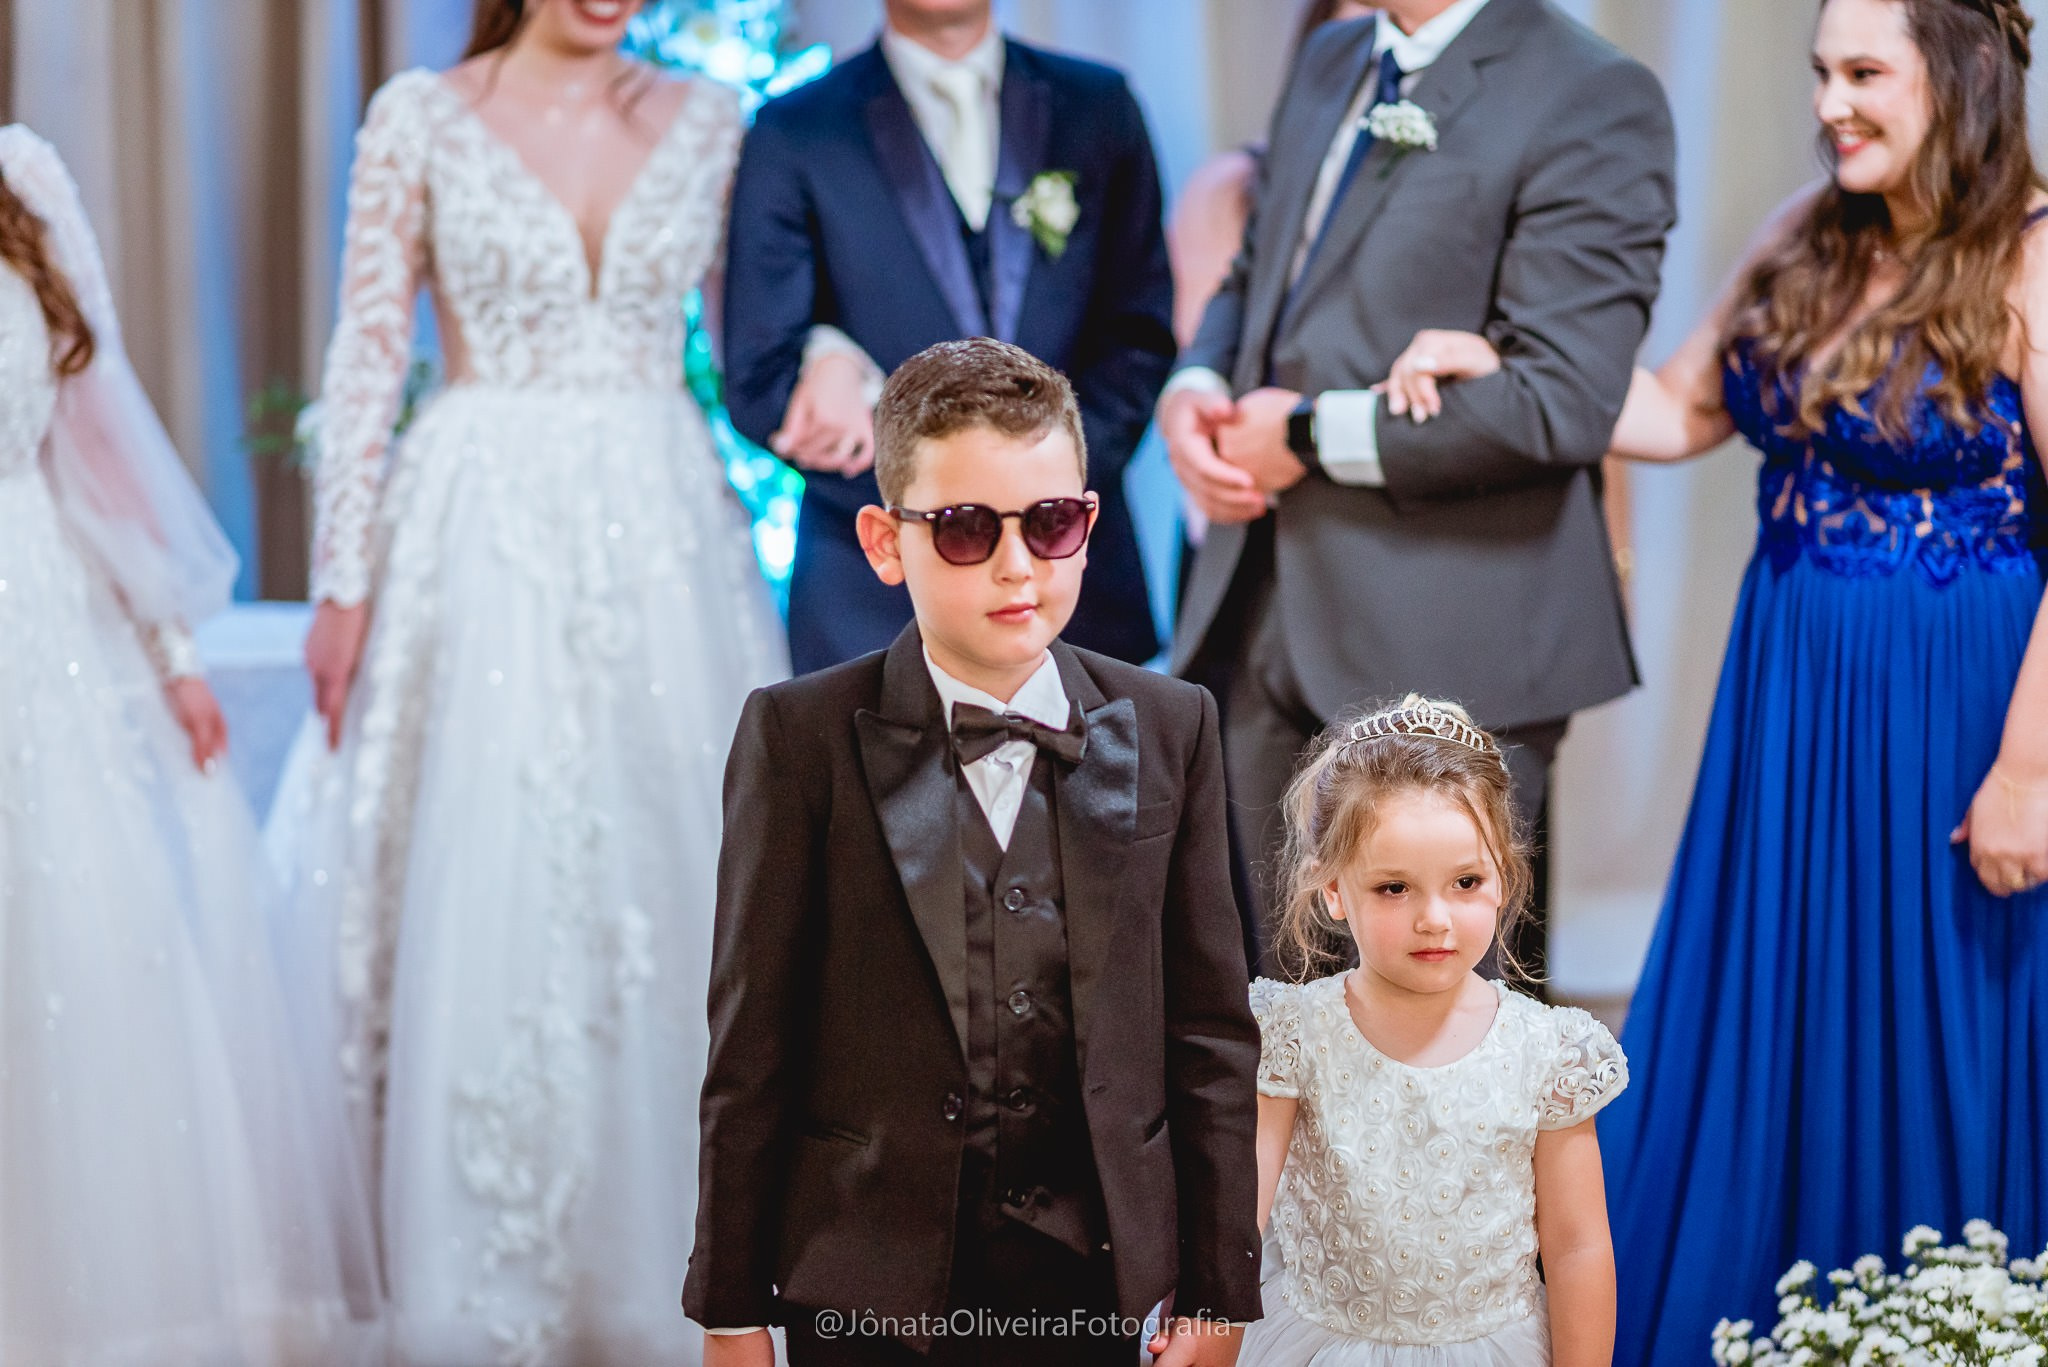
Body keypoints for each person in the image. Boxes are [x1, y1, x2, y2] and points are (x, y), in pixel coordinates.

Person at [1384, 0, 2048, 1358]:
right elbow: (1677, 406)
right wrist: (1510, 366)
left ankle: (1935, 1314)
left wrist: (2032, 766)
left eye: (1867, 74)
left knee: (1945, 1030)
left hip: (1961, 704)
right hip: (1795, 701)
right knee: (1791, 1014)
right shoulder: (1811, 231)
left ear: (1967, 77)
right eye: (1821, 73)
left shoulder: (2036, 258)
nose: (1833, 103)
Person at [265, 1, 787, 1361]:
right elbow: (370, 352)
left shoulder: (713, 120)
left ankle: (682, 1267)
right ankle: (488, 1278)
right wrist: (341, 580)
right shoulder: (422, 117)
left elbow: (751, 359)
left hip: (667, 525)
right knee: (489, 863)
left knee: (672, 876)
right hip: (478, 522)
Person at [685, 339, 1260, 1367]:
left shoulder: (1175, 727)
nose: (1014, 564)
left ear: (1085, 524)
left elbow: (1212, 1036)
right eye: (962, 528)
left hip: (1093, 1277)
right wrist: (731, 1306)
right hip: (864, 1281)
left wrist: (1219, 1291)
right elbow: (749, 1046)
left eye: (1048, 524)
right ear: (882, 540)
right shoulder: (798, 736)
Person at [1158, 0, 1677, 979]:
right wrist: (1197, 385)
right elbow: (1261, 267)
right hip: (1258, 614)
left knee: (1440, 1047)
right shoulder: (1333, 55)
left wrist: (1310, 435)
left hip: (1453, 638)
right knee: (1277, 1017)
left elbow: (1560, 398)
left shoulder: (1591, 93)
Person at [0, 124, 381, 1365]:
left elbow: (91, 446)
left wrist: (170, 651)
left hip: (35, 632)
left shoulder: (27, 179)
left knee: (76, 956)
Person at [722, 0, 1175, 674]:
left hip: (1076, 591)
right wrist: (929, 506)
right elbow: (761, 379)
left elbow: (1139, 332)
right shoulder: (796, 129)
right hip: (871, 603)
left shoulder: (1099, 106)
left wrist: (1046, 494)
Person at [1227, 696, 1625, 1367]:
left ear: (1504, 876)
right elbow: (1240, 1214)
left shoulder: (1548, 1052)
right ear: (1331, 888)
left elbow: (1578, 1243)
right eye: (1394, 888)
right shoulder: (1292, 1033)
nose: (1434, 918)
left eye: (1465, 880)